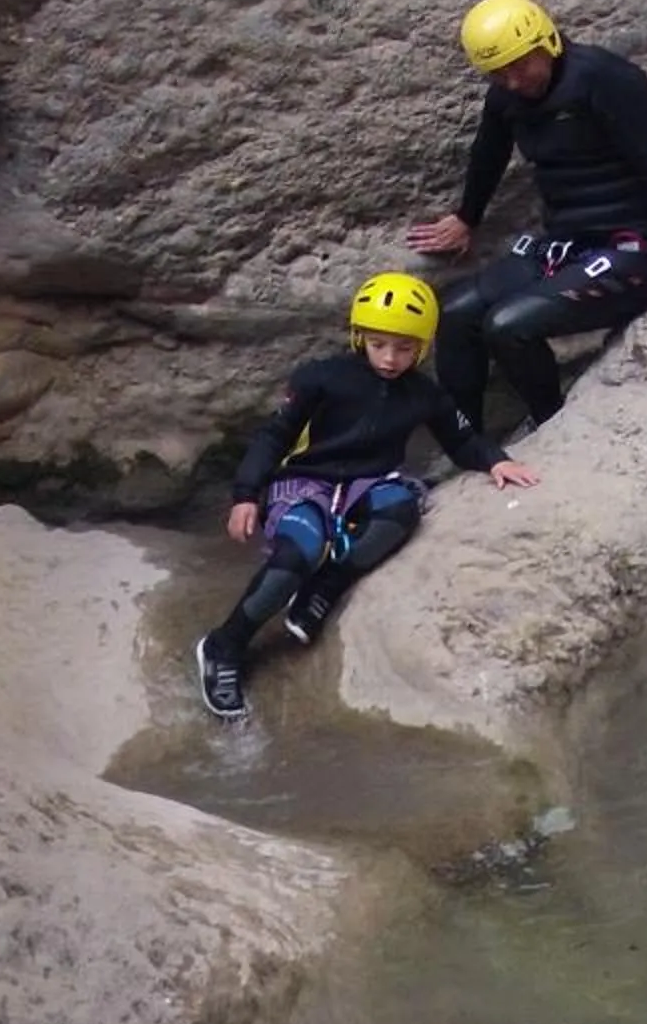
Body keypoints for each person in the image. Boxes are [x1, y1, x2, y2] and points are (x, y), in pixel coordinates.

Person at [192, 271, 539, 720]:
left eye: (404, 348)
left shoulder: (424, 394)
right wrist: (245, 493)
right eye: (379, 345)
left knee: (400, 508)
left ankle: (326, 586)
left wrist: (496, 461)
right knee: (297, 554)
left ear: (423, 346)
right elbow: (274, 435)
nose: (391, 359)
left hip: (370, 481)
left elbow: (461, 439)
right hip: (307, 479)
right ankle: (224, 646)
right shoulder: (321, 378)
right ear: (359, 337)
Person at [402, 0, 647, 434]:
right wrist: (467, 218)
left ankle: (551, 428)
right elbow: (489, 152)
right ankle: (467, 445)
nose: (514, 81)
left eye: (520, 66)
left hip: (633, 249)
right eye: (499, 73)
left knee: (507, 326)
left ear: (547, 42)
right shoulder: (506, 94)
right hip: (567, 244)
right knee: (459, 312)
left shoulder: (605, 77)